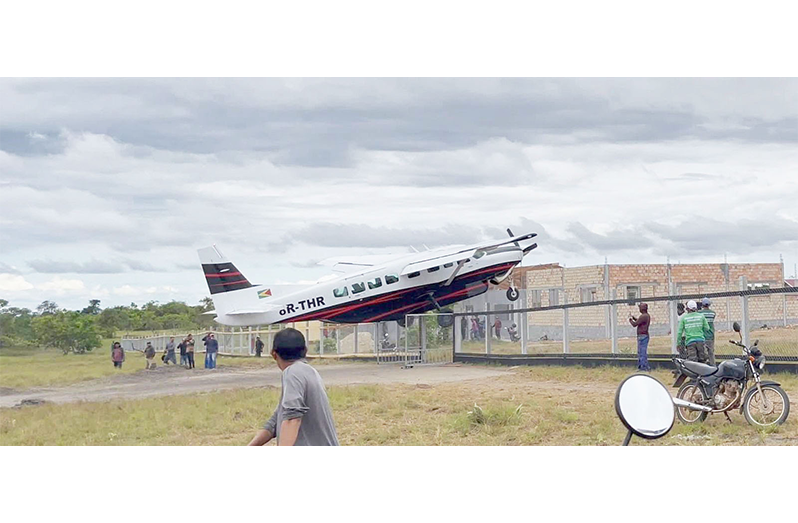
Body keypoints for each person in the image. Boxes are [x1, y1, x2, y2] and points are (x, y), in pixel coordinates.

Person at [247, 328, 339, 446]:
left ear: (274, 354)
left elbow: (292, 419)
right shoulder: (310, 372)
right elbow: (276, 421)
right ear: (305, 351)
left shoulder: (292, 373)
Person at [629, 303, 652, 371]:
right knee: (641, 352)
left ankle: (643, 367)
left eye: (640, 308)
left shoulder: (643, 316)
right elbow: (639, 321)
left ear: (642, 309)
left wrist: (630, 320)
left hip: (642, 336)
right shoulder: (646, 316)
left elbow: (635, 324)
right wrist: (634, 318)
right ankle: (644, 366)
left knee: (642, 353)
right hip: (643, 336)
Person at [699, 297, 717, 366]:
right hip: (711, 335)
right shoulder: (713, 313)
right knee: (711, 352)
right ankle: (713, 366)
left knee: (703, 353)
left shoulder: (700, 313)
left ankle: (704, 366)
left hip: (702, 335)